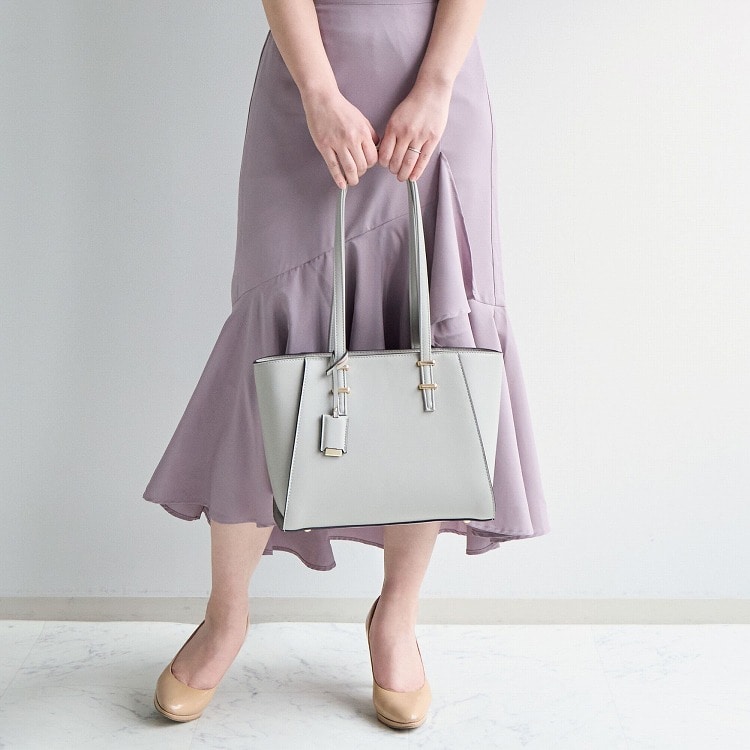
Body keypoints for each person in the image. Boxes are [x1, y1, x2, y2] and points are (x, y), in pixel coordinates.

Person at [145, 0, 550, 730]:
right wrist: (319, 92)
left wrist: (434, 86)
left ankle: (395, 618)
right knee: (268, 354)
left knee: (431, 351)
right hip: (310, 87)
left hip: (436, 96)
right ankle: (226, 617)